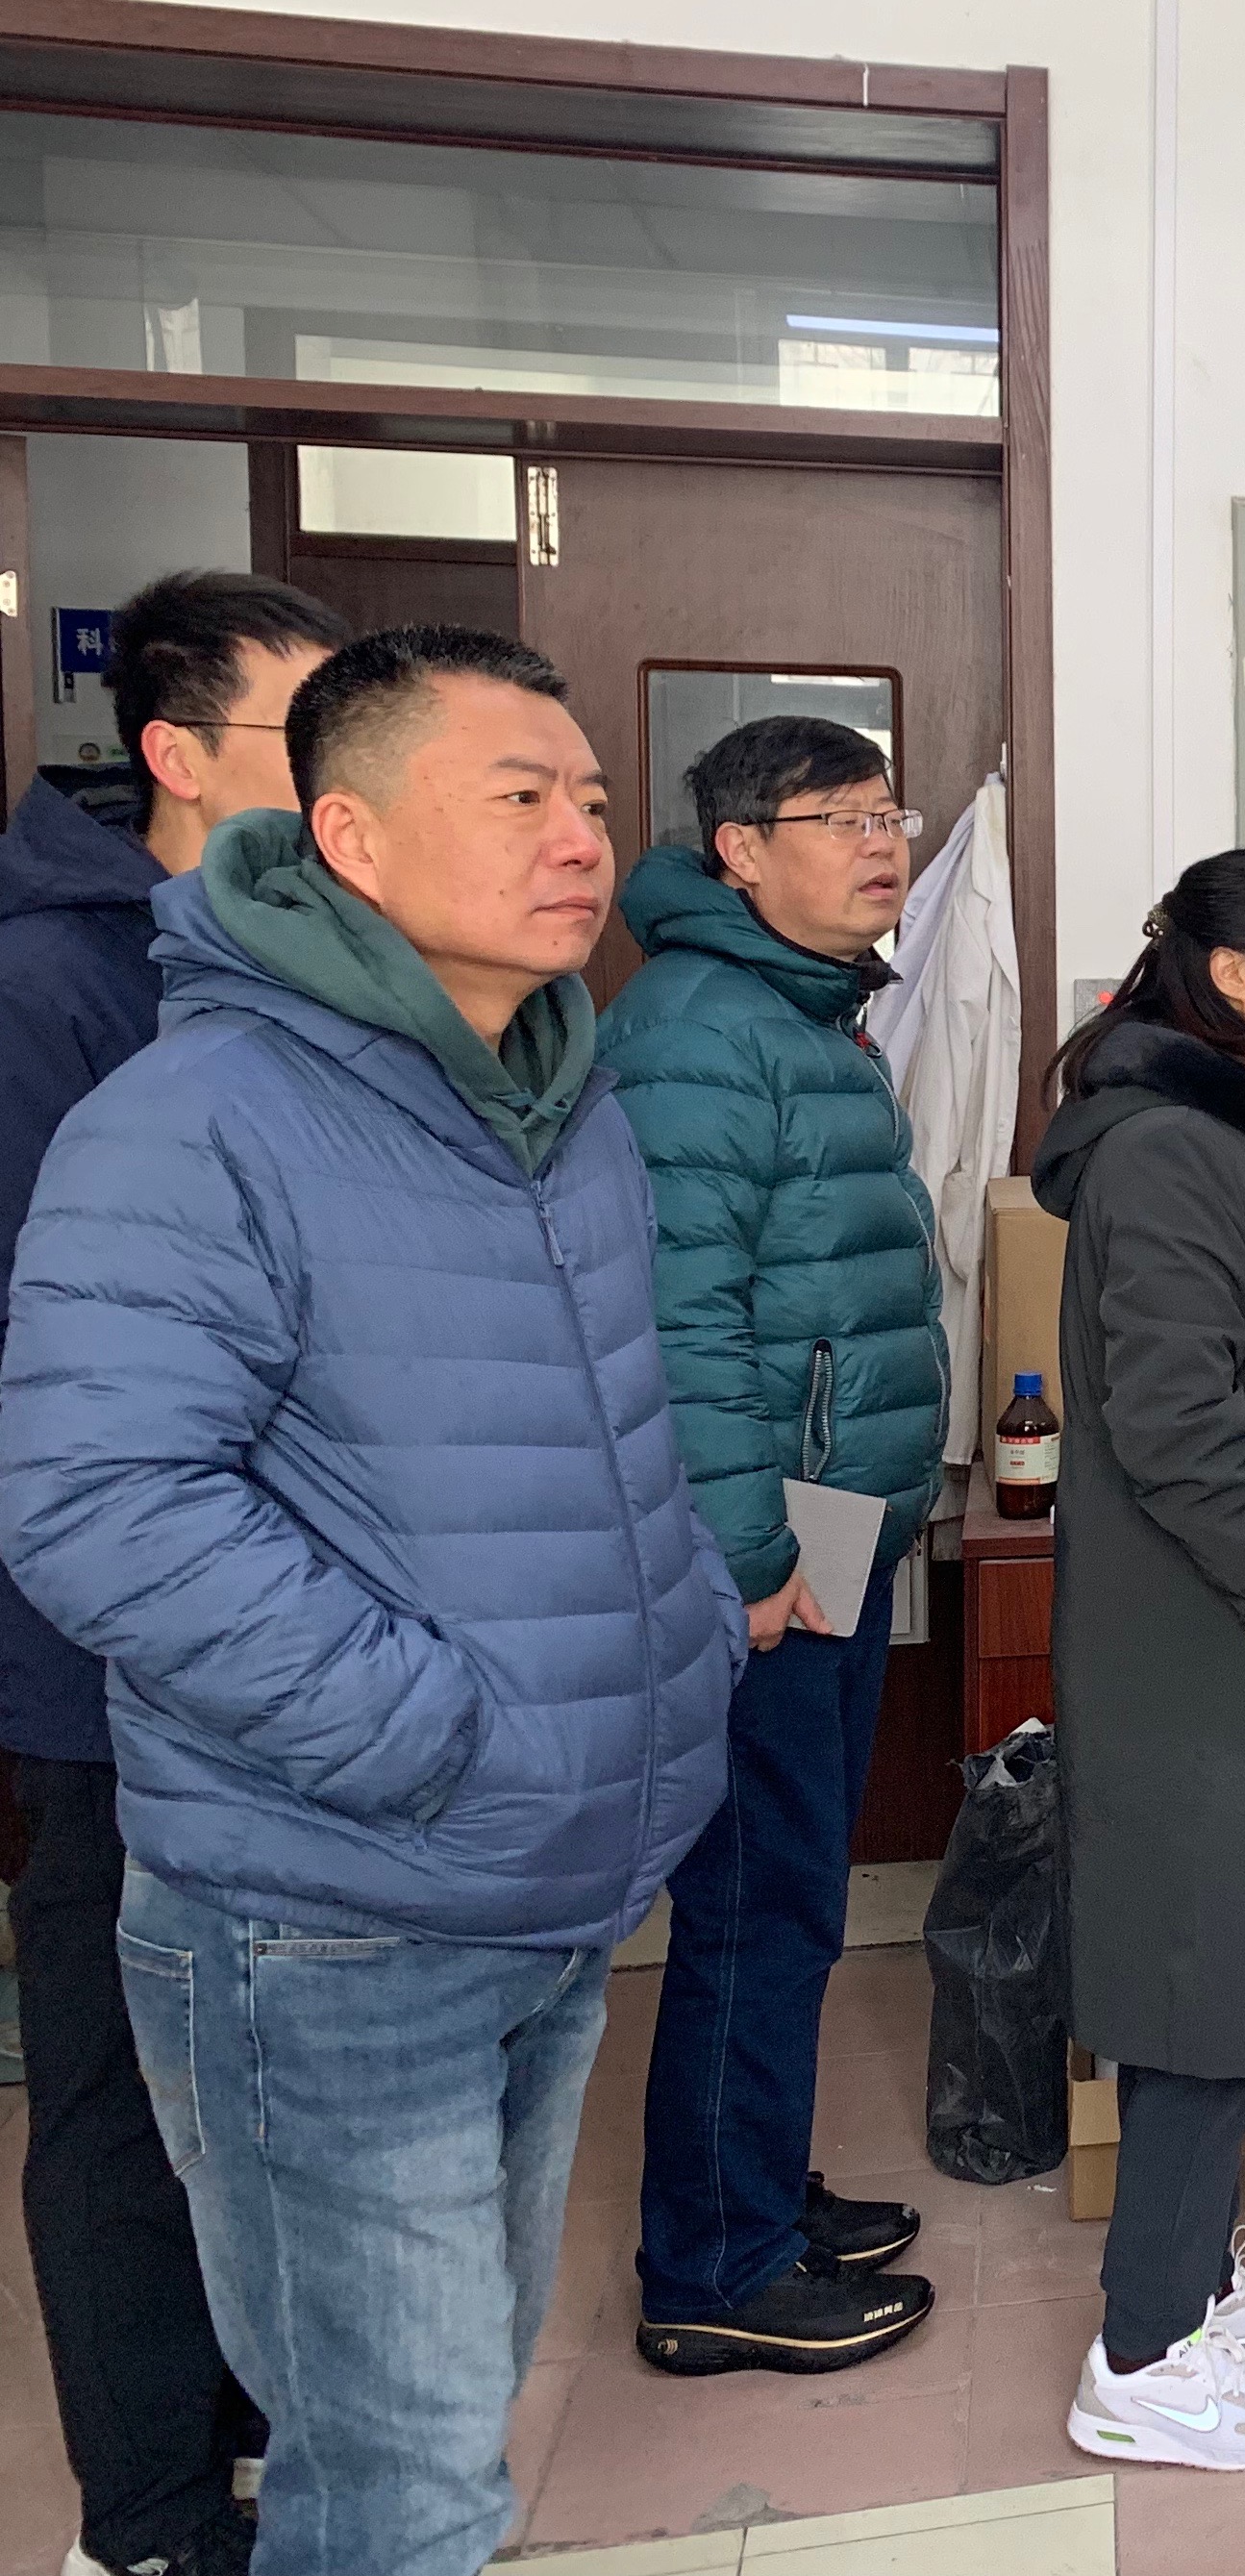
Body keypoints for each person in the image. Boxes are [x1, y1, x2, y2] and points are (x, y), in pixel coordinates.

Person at [0, 625, 743, 2576]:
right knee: (397, 2488)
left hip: (546, 1878)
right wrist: (435, 1735)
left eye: (592, 798)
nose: (581, 837)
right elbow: (97, 1505)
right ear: (346, 834)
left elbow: (609, 1434)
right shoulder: (200, 1116)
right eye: (520, 796)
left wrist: (667, 1665)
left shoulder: (561, 1100)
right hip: (331, 1910)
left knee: (437, 2421)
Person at [0, 570, 347, 2576]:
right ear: (176, 753)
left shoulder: (296, 965)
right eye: (308, 737)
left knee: (255, 2066)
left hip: (282, 1632)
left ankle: (251, 2430)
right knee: (123, 2092)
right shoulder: (52, 986)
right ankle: (141, 2522)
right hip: (107, 1654)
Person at [601, 715, 946, 2375]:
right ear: (740, 849)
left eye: (891, 814)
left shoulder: (798, 1009)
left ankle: (754, 2191)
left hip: (833, 1516)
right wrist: (743, 1559)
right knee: (755, 1896)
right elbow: (677, 1328)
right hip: (776, 1537)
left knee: (793, 1886)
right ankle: (714, 2268)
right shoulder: (700, 1027)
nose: (883, 845)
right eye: (842, 819)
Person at [1033, 850, 1245, 2473]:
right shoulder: (1171, 1153)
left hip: (1243, 1625)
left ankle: (1198, 2278)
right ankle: (1145, 2353)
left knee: (1232, 1956)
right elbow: (1175, 1417)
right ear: (1228, 975)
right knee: (1204, 1979)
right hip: (1207, 1632)